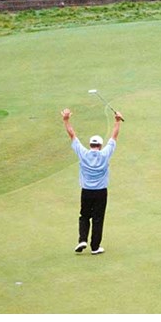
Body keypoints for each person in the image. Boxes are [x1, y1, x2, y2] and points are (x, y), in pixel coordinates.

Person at [62, 107, 123, 255]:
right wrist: (117, 121)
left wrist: (66, 119)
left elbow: (72, 135)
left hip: (86, 191)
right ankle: (95, 247)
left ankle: (82, 239)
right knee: (98, 218)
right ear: (100, 146)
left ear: (90, 145)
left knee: (84, 216)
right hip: (101, 192)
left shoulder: (83, 153)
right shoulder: (105, 154)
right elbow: (113, 137)